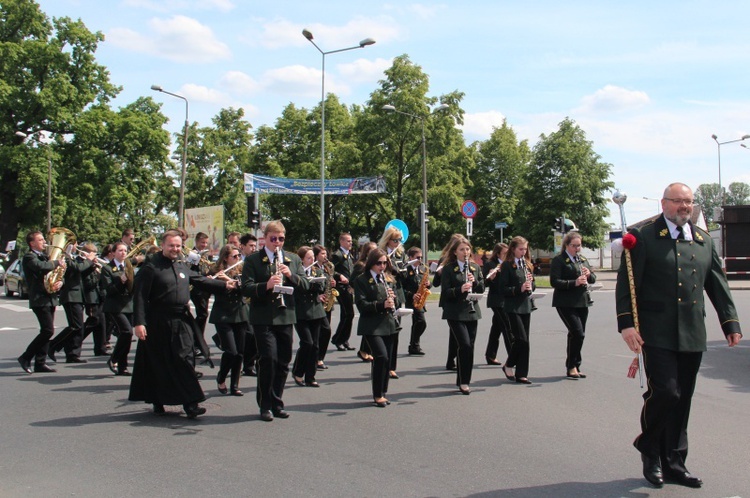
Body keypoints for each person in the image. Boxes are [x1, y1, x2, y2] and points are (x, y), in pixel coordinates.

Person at [616, 182, 742, 489]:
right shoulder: (644, 238)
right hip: (655, 332)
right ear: (663, 204)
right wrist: (627, 324)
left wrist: (730, 322)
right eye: (677, 202)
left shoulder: (702, 240)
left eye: (688, 202)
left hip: (692, 331)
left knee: (682, 399)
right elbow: (626, 285)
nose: (683, 207)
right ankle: (650, 451)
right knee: (666, 393)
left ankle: (673, 462)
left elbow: (717, 283)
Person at [129, 230, 236, 419]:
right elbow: (139, 296)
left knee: (185, 359)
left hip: (182, 320)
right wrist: (139, 323)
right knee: (158, 363)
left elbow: (200, 280)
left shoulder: (181, 265)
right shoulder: (151, 267)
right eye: (171, 245)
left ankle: (191, 403)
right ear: (163, 245)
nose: (175, 249)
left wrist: (223, 285)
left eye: (178, 246)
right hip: (158, 322)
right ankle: (157, 399)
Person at [241, 221, 308, 422]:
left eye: (281, 239)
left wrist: (291, 275)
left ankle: (277, 402)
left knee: (282, 362)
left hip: (285, 316)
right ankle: (265, 404)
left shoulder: (292, 259)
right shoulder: (254, 260)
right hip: (263, 317)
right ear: (265, 238)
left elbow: (305, 284)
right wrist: (267, 285)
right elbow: (246, 287)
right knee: (268, 359)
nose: (277, 242)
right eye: (273, 238)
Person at [353, 249, 400, 407]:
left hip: (388, 324)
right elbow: (361, 305)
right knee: (381, 356)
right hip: (371, 325)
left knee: (386, 360)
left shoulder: (388, 279)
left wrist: (394, 299)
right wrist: (381, 304)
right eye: (379, 263)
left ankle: (382, 392)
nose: (382, 266)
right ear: (371, 263)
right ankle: (377, 394)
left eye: (384, 263)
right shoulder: (362, 280)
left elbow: (398, 301)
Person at [440, 236, 484, 395]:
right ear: (454, 252)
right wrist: (460, 289)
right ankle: (463, 380)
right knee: (464, 344)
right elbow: (445, 292)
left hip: (472, 311)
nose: (465, 252)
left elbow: (481, 289)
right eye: (461, 250)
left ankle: (464, 379)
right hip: (454, 312)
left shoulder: (475, 267)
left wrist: (475, 283)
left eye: (467, 249)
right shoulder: (449, 269)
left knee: (470, 347)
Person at [18, 230, 66, 374]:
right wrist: (56, 262)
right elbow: (41, 267)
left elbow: (57, 275)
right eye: (40, 240)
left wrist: (60, 283)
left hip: (49, 297)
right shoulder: (29, 257)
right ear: (32, 243)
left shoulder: (45, 256)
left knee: (48, 331)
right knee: (47, 330)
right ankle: (25, 357)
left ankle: (40, 362)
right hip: (39, 299)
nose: (44, 242)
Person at [551, 232, 596, 379]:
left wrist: (589, 274)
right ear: (566, 245)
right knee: (578, 332)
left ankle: (575, 365)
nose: (577, 249)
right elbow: (555, 281)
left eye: (579, 245)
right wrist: (574, 282)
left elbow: (593, 279)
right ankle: (571, 366)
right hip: (565, 302)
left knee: (577, 335)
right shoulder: (559, 260)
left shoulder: (582, 260)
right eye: (574, 246)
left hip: (582, 301)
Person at [209, 244, 248, 397]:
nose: (238, 258)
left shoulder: (243, 270)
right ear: (225, 258)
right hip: (223, 314)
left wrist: (228, 279)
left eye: (239, 256)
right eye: (234, 256)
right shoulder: (215, 270)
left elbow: (244, 287)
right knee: (231, 351)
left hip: (240, 313)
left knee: (240, 353)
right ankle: (222, 376)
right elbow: (208, 286)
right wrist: (217, 281)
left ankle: (234, 385)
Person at [48, 242, 97, 363]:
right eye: (74, 244)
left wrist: (92, 266)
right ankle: (53, 345)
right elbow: (77, 268)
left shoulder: (76, 258)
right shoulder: (66, 257)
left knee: (78, 328)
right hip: (70, 296)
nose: (77, 247)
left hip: (79, 296)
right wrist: (89, 261)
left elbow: (83, 274)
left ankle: (73, 354)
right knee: (76, 326)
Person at [499, 236, 536, 385]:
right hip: (512, 306)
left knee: (525, 341)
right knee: (521, 339)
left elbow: (533, 285)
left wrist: (530, 286)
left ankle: (522, 374)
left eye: (525, 248)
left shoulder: (527, 265)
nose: (523, 251)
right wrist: (518, 289)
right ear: (513, 249)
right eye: (521, 249)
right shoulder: (507, 266)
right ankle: (509, 364)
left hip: (525, 305)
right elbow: (503, 289)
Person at [291, 246, 326, 388]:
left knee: (315, 345)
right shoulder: (296, 273)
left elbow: (321, 286)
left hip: (316, 311)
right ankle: (298, 371)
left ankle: (310, 376)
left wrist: (313, 284)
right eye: (309, 258)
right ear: (302, 260)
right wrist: (307, 283)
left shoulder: (317, 271)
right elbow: (297, 288)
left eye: (313, 257)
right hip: (300, 312)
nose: (312, 260)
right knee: (307, 343)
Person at [100, 242, 135, 376]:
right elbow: (109, 290)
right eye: (120, 250)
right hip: (115, 306)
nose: (123, 253)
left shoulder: (128, 266)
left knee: (125, 336)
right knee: (127, 332)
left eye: (125, 251)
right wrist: (121, 281)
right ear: (113, 252)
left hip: (129, 305)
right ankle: (114, 358)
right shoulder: (107, 268)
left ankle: (122, 367)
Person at [378, 226, 407, 379]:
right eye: (395, 240)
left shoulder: (401, 254)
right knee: (383, 330)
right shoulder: (380, 253)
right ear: (387, 240)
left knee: (395, 330)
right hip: (382, 293)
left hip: (396, 292)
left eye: (399, 240)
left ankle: (391, 367)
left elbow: (405, 273)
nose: (397, 243)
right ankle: (381, 362)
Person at [483, 242, 510, 366]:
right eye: (505, 253)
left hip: (507, 299)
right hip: (496, 300)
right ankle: (513, 356)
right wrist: (491, 277)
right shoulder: (490, 264)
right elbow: (484, 282)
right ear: (498, 253)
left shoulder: (509, 264)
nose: (507, 255)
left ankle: (490, 355)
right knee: (507, 327)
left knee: (497, 328)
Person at [351, 242, 378, 362]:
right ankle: (364, 350)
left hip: (375, 297)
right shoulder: (360, 265)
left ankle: (365, 350)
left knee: (372, 324)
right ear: (366, 252)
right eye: (372, 250)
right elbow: (353, 281)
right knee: (368, 324)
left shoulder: (375, 265)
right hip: (365, 298)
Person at [330, 232, 356, 352]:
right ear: (341, 242)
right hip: (341, 288)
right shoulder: (337, 255)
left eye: (351, 241)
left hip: (349, 288)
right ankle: (338, 339)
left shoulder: (349, 255)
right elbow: (330, 269)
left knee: (348, 315)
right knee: (347, 314)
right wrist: (339, 276)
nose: (350, 243)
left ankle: (344, 339)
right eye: (348, 241)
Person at [239, 233, 259, 376]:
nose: (254, 248)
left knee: (252, 335)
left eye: (254, 245)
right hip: (238, 303)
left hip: (253, 302)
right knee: (245, 335)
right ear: (242, 246)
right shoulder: (237, 260)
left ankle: (249, 364)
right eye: (251, 246)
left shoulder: (256, 261)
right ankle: (244, 363)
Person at [313, 244, 335, 370]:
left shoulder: (327, 267)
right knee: (324, 331)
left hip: (327, 302)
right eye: (322, 254)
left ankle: (320, 357)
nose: (325, 255)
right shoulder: (314, 268)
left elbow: (332, 276)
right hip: (318, 303)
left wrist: (333, 281)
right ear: (316, 256)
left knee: (325, 331)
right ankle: (317, 358)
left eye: (325, 253)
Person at [403, 246, 428, 355]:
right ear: (411, 258)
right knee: (420, 322)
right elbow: (401, 289)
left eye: (421, 257)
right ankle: (414, 345)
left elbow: (425, 284)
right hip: (411, 300)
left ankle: (414, 345)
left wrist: (428, 285)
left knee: (419, 323)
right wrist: (411, 295)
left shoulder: (422, 269)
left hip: (420, 300)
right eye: (418, 257)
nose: (420, 260)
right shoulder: (405, 270)